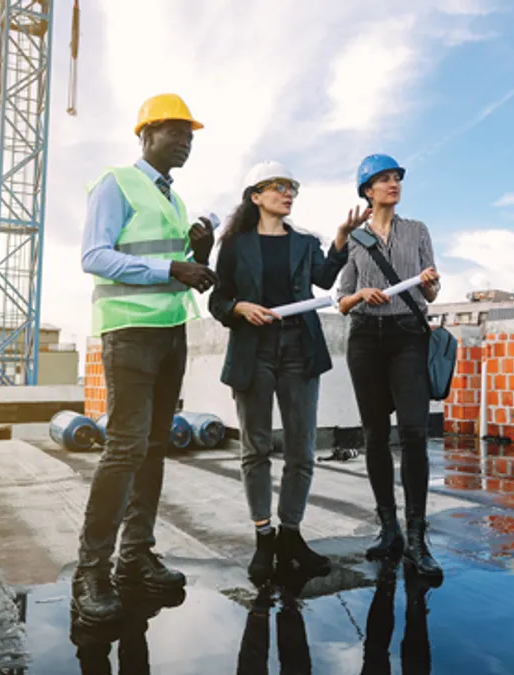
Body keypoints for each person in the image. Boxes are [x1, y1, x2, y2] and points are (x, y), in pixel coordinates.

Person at [73, 93, 220, 624]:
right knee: (125, 449)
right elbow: (95, 255)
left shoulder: (175, 200)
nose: (186, 142)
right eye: (176, 132)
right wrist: (171, 270)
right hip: (129, 332)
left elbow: (178, 265)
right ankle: (91, 571)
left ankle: (134, 558)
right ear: (146, 134)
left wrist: (199, 254)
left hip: (169, 332)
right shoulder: (117, 183)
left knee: (155, 448)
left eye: (190, 136)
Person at [208, 160, 370, 585]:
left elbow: (322, 278)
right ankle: (264, 537)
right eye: (278, 186)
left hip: (300, 348)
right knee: (256, 448)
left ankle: (291, 535)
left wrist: (338, 242)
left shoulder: (304, 242)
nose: (288, 192)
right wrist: (239, 307)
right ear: (256, 196)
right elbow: (218, 300)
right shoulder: (235, 245)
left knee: (301, 450)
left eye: (291, 186)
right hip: (253, 351)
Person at [337, 153, 443, 580]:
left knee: (415, 433)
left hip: (407, 337)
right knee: (375, 436)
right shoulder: (356, 241)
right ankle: (389, 530)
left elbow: (431, 293)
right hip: (365, 338)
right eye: (384, 179)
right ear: (367, 190)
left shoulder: (417, 231)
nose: (393, 183)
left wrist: (431, 283)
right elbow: (341, 300)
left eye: (397, 177)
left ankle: (417, 536)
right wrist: (363, 294)